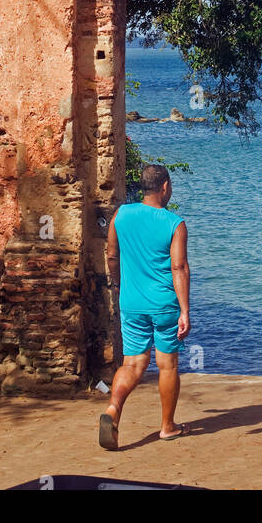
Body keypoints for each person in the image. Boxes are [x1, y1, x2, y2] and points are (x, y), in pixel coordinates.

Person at [99, 163, 191, 450]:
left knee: (133, 364)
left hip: (132, 302)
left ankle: (113, 409)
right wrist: (185, 310)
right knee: (167, 365)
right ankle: (167, 427)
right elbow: (178, 267)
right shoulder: (174, 224)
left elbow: (112, 256)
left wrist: (118, 285)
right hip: (164, 304)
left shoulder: (121, 214)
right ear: (165, 187)